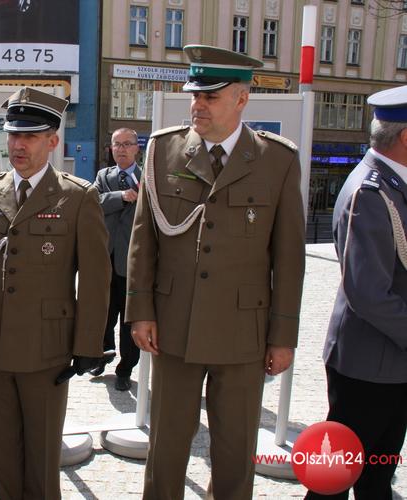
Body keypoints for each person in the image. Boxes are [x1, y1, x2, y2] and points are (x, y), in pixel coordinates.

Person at [126, 45, 305, 500]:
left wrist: (283, 336)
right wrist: (140, 311)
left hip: (243, 332)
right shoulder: (164, 150)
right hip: (174, 326)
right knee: (166, 447)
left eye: (210, 96)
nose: (197, 105)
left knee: (234, 449)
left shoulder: (277, 159)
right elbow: (144, 239)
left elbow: (288, 258)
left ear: (242, 99)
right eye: (195, 95)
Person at [0, 87, 111, 499]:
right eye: (14, 134)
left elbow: (96, 277)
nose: (18, 144)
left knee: (41, 458)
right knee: (1, 455)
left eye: (30, 136)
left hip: (46, 348)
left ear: (52, 141)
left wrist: (88, 345)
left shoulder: (77, 196)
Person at [306, 86, 407, 499]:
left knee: (377, 478)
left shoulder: (393, 185)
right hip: (368, 365)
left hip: (390, 363)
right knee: (334, 479)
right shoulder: (371, 191)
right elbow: (368, 293)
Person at [91, 127, 142, 391]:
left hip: (133, 261)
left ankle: (125, 369)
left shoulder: (147, 178)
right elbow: (93, 202)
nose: (121, 149)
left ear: (136, 148)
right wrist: (120, 196)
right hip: (106, 258)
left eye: (126, 144)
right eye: (116, 144)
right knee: (104, 312)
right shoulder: (104, 176)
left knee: (128, 319)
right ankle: (102, 355)